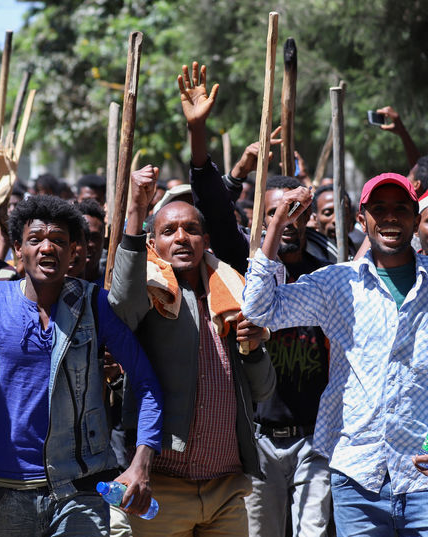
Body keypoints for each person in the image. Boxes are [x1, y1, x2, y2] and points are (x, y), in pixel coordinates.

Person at [0, 195, 164, 536]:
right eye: (35, 240)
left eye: (59, 240)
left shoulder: (95, 304)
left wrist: (141, 463)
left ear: (74, 250)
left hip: (80, 489)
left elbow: (147, 383)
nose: (48, 248)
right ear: (18, 247)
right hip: (2, 492)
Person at [181, 61, 332, 537]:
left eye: (296, 212)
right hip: (257, 438)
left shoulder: (332, 272)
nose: (286, 222)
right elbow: (212, 204)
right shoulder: (241, 263)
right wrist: (198, 132)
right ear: (260, 219)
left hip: (317, 438)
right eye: (275, 213)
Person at [243, 172, 428, 537]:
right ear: (363, 220)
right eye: (379, 209)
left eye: (400, 209)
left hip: (421, 482)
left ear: (416, 218)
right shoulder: (337, 283)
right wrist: (278, 222)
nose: (390, 217)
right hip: (358, 477)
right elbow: (260, 309)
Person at [109, 147, 275, 536]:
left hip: (226, 488)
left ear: (206, 239)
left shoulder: (234, 296)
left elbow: (264, 390)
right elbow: (121, 301)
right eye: (168, 231)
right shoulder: (149, 294)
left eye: (191, 229)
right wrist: (135, 213)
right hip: (161, 485)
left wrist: (253, 349)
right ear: (154, 243)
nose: (181, 238)